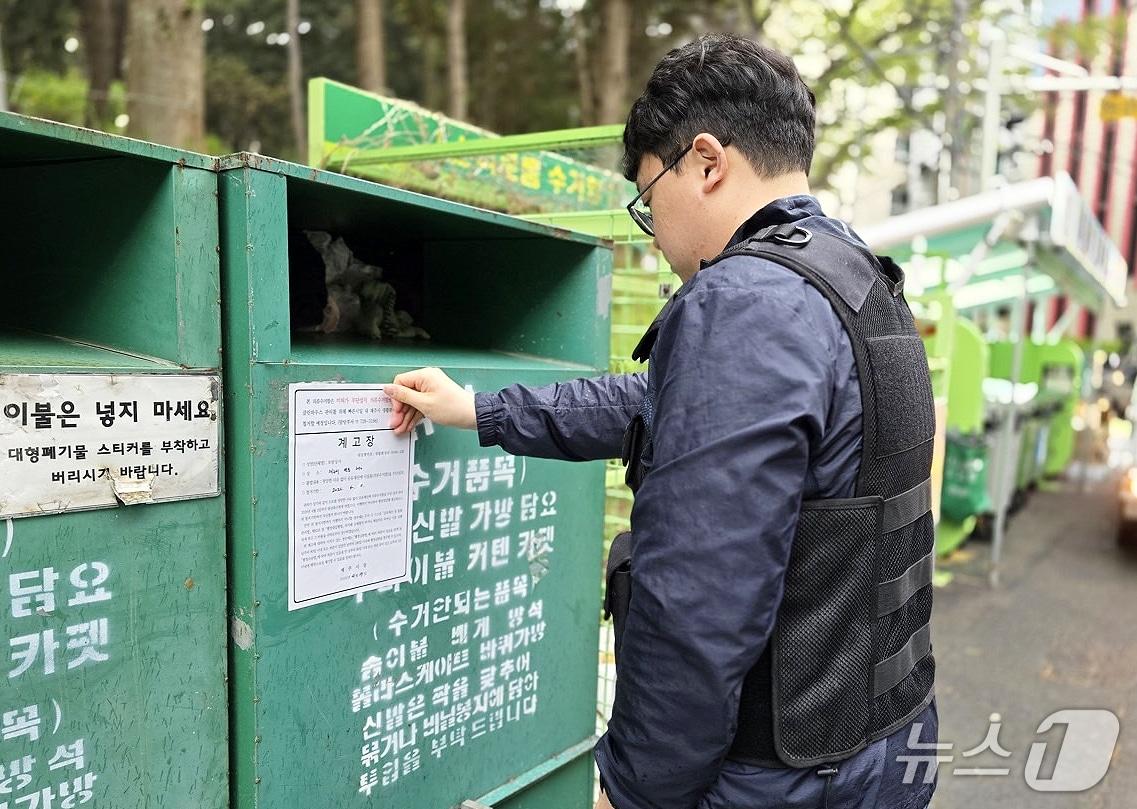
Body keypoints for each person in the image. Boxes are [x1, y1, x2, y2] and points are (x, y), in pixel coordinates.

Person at [384, 33, 939, 809]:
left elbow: (696, 605)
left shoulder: (744, 302)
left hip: (779, 778)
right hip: (885, 744)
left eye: (649, 199)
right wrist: (479, 409)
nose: (655, 230)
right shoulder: (852, 280)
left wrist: (634, 788)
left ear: (705, 161)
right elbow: (664, 404)